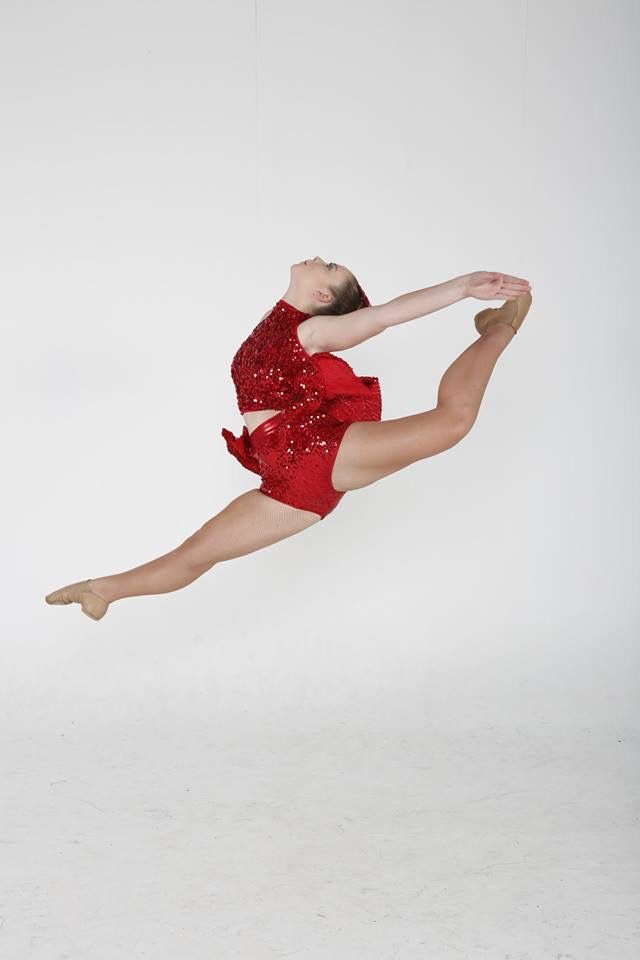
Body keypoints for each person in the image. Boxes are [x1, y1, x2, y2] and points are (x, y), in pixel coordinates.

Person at [45, 256, 532, 620]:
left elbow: (385, 315)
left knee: (452, 422)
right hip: (290, 482)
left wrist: (464, 287)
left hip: (318, 448)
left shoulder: (312, 330)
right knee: (194, 555)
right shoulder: (278, 324)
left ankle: (498, 330)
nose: (321, 259)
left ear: (324, 298)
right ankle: (102, 588)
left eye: (331, 267)